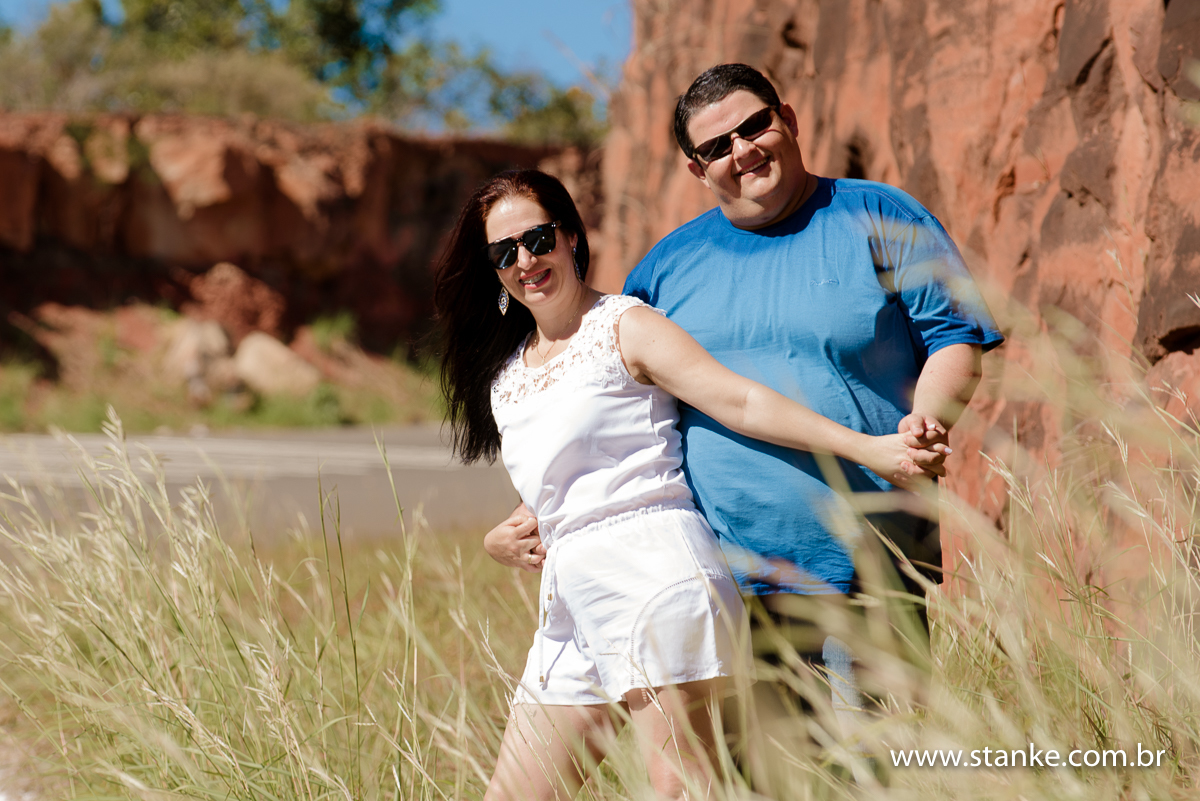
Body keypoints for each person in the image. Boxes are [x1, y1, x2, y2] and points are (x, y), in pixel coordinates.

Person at [483, 63, 1003, 768]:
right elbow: (613, 406)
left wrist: (924, 424)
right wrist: (531, 507)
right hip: (720, 585)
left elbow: (954, 339)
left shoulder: (879, 215)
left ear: (787, 117)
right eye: (718, 145)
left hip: (864, 562)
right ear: (697, 169)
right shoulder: (666, 270)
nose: (744, 150)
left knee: (872, 775)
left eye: (755, 125)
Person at [434, 169, 935, 800]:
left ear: (569, 237)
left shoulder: (625, 326)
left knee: (680, 789)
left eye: (536, 239)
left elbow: (740, 402)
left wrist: (869, 450)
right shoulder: (507, 376)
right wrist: (499, 539)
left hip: (654, 578)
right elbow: (565, 485)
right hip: (569, 600)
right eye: (504, 252)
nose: (525, 260)